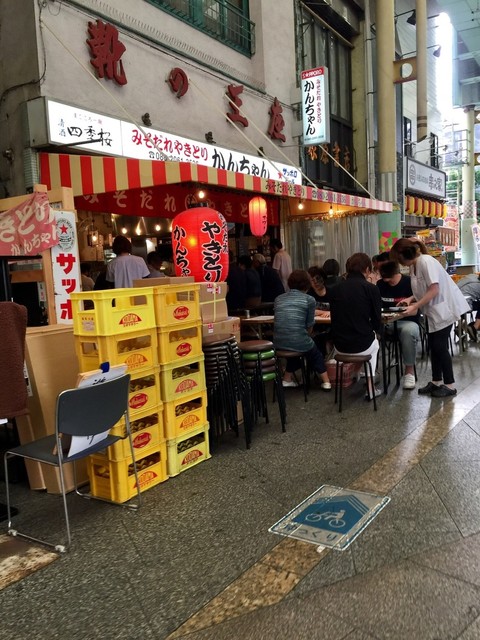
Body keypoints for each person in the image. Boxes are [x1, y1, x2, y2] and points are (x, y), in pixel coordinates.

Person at [390, 238, 471, 398]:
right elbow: (423, 289)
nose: (399, 263)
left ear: (403, 255)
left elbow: (434, 289)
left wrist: (415, 306)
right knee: (433, 346)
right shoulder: (414, 265)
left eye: (398, 259)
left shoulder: (426, 261)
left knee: (440, 346)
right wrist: (410, 299)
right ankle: (436, 381)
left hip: (444, 309)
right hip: (433, 312)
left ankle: (450, 385)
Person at [328, 253, 383, 400]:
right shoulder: (371, 288)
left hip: (340, 346)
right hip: (362, 345)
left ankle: (355, 373)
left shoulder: (334, 289)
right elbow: (377, 320)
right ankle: (370, 388)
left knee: (364, 338)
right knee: (374, 342)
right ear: (367, 269)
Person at [273, 269, 331, 391]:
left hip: (278, 342)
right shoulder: (309, 300)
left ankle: (287, 379)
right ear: (307, 284)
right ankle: (326, 382)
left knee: (296, 348)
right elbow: (310, 325)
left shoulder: (278, 299)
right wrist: (306, 335)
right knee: (314, 353)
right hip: (298, 340)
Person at [377, 260, 420, 390]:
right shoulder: (380, 285)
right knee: (369, 331)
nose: (389, 283)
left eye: (391, 280)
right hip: (386, 323)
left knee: (408, 332)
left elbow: (415, 310)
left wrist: (401, 312)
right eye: (386, 281)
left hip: (407, 321)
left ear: (397, 273)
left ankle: (409, 372)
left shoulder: (409, 283)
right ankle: (371, 371)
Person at [456, 273, 480, 342]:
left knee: (462, 304)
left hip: (453, 303)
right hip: (465, 305)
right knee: (466, 304)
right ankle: (474, 327)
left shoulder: (471, 276)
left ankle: (459, 326)